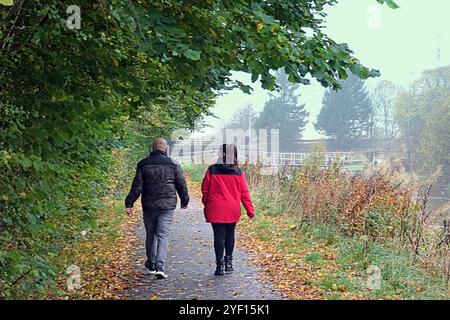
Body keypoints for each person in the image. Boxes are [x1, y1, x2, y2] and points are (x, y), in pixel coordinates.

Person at [125, 138, 189, 279]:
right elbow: (181, 184)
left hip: (149, 205)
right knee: (163, 235)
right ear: (165, 148)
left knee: (151, 234)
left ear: (153, 148)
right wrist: (185, 200)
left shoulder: (143, 164)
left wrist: (129, 203)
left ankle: (152, 264)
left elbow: (137, 186)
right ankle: (160, 266)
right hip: (167, 205)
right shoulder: (173, 164)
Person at [201, 144, 255, 276]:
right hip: (232, 208)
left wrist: (206, 202)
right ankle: (229, 264)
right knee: (230, 234)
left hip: (216, 208)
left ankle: (219, 266)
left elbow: (205, 189)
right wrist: (250, 210)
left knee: (218, 237)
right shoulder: (238, 172)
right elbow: (244, 193)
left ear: (221, 154)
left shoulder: (212, 170)